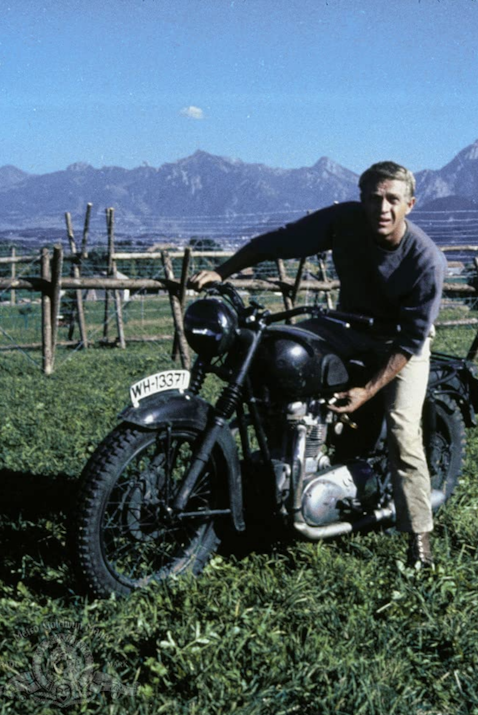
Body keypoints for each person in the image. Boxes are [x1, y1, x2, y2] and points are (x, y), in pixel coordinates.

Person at [189, 161, 446, 567]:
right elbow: (283, 240)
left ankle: (419, 540)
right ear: (361, 200)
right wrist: (223, 271)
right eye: (374, 198)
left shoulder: (425, 260)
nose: (383, 208)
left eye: (393, 199)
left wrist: (367, 390)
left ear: (409, 204)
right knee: (277, 351)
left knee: (401, 430)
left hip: (398, 343)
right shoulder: (344, 221)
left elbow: (411, 340)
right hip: (346, 324)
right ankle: (278, 467)